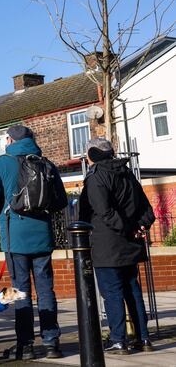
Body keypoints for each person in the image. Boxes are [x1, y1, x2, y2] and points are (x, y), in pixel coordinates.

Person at [0, 124, 67, 360]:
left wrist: (0, 214)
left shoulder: (1, 164)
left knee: (20, 291)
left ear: (9, 140)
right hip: (43, 236)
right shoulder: (46, 163)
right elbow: (61, 201)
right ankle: (51, 343)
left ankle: (25, 346)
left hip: (14, 235)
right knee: (46, 290)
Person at [78, 137, 156, 354]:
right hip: (130, 244)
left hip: (107, 245)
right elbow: (148, 210)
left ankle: (118, 340)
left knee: (112, 293)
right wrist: (138, 226)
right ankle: (144, 338)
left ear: (92, 155)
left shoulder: (96, 177)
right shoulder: (127, 174)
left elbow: (104, 212)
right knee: (132, 290)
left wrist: (127, 228)